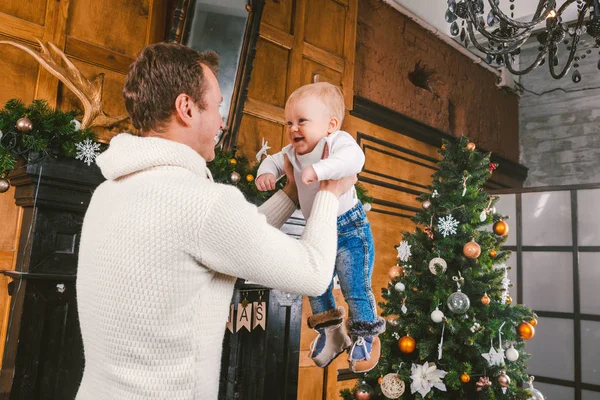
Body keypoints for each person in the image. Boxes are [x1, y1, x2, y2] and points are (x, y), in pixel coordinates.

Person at [75, 43, 356, 400]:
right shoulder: (201, 202)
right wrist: (330, 191)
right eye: (218, 106)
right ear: (187, 108)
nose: (223, 122)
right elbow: (315, 273)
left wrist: (289, 195)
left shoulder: (108, 192)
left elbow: (231, 238)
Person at [255, 82, 385, 374]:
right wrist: (266, 174)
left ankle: (365, 334)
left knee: (354, 287)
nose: (293, 128)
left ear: (331, 125)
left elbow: (355, 160)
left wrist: (321, 170)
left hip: (350, 228)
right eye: (289, 122)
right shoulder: (291, 151)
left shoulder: (337, 142)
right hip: (317, 227)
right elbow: (273, 162)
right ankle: (330, 332)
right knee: (315, 284)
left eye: (301, 121)